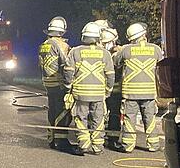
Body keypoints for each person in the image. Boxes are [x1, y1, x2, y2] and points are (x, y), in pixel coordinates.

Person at [63, 22, 115, 156]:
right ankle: (98, 146)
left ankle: (84, 144)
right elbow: (110, 75)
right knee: (98, 119)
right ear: (98, 37)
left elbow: (68, 72)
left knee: (80, 118)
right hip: (99, 94)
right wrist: (108, 90)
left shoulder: (75, 51)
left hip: (81, 94)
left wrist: (68, 88)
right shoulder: (105, 54)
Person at [113, 23, 164, 152]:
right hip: (149, 92)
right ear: (144, 34)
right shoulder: (155, 49)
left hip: (130, 93)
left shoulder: (125, 50)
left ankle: (128, 146)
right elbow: (161, 66)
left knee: (130, 119)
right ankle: (153, 145)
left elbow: (116, 63)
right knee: (150, 119)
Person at [38, 16, 71, 150]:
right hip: (59, 83)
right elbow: (66, 65)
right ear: (62, 31)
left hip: (47, 82)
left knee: (52, 110)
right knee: (62, 111)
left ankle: (51, 138)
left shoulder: (44, 45)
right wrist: (69, 84)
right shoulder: (61, 45)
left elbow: (40, 64)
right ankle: (61, 141)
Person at [99, 25, 123, 146]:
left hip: (115, 90)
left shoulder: (119, 53)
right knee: (99, 114)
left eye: (106, 43)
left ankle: (113, 138)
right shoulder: (103, 53)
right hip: (103, 90)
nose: (104, 45)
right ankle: (99, 137)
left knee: (114, 113)